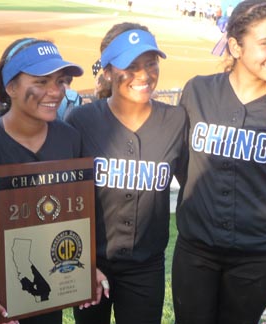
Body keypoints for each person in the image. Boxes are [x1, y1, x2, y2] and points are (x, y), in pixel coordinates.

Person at [171, 1, 266, 323]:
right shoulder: (198, 91)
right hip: (196, 251)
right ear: (235, 47)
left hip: (259, 257)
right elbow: (184, 165)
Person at [0, 37, 108, 324]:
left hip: (48, 294)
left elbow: (74, 215)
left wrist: (84, 269)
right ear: (11, 87)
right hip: (0, 296)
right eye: (42, 81)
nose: (55, 91)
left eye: (61, 81)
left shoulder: (69, 138)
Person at [67, 23, 187, 324]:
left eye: (150, 64)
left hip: (146, 267)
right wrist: (80, 263)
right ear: (107, 71)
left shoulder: (175, 121)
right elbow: (66, 197)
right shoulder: (82, 120)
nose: (144, 75)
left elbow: (197, 179)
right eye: (131, 67)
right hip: (88, 262)